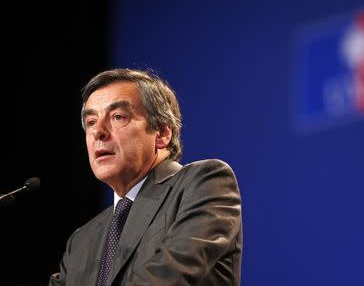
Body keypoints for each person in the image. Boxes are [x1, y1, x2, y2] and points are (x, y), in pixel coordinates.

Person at [48, 68, 243, 286]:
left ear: (161, 133)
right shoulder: (81, 241)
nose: (98, 132)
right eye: (91, 121)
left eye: (118, 117)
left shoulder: (204, 183)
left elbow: (169, 276)